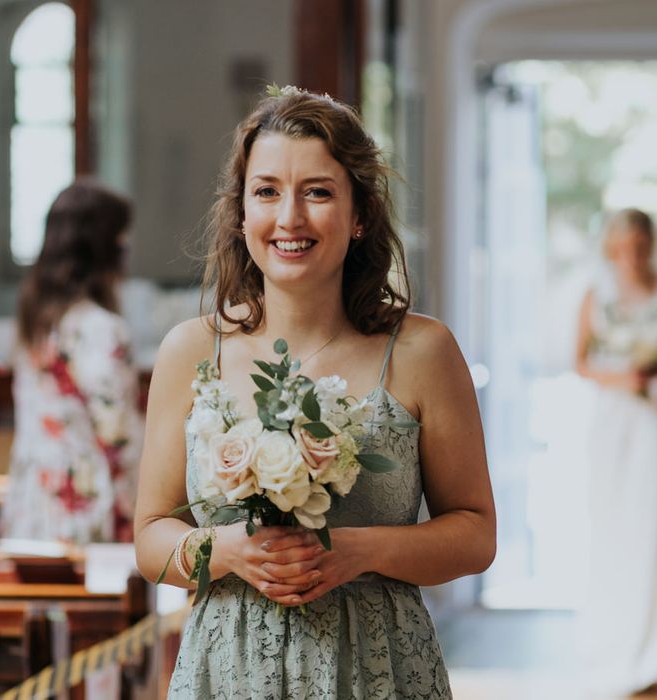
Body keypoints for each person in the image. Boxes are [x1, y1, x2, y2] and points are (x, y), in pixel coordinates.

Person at [134, 86, 497, 698]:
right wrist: (229, 551)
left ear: (359, 216)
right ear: (242, 213)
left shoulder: (422, 352)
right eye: (267, 191)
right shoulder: (189, 353)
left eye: (318, 192)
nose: (290, 219)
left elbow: (476, 533)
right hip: (229, 669)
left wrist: (356, 550)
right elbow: (149, 539)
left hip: (377, 667)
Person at [575, 208, 657, 696]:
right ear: (611, 247)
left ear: (651, 244)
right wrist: (623, 376)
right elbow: (580, 360)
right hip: (615, 418)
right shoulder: (595, 293)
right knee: (613, 524)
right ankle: (612, 644)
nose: (632, 255)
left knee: (655, 525)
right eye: (623, 245)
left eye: (640, 245)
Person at [0, 179, 142, 545]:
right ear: (105, 245)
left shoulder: (37, 321)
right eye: (123, 236)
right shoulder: (102, 329)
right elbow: (118, 437)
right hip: (83, 513)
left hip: (31, 506)